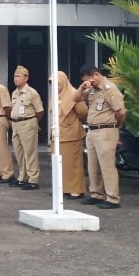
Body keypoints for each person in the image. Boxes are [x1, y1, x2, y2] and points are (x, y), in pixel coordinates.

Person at [75, 64, 127, 209]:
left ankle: (112, 198)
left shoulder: (110, 90)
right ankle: (96, 194)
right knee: (93, 165)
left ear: (96, 75)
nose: (90, 83)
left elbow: (121, 112)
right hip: (92, 131)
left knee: (107, 165)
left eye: (91, 80)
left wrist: (116, 124)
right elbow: (76, 98)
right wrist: (82, 87)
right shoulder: (91, 89)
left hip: (106, 131)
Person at [53, 72, 88, 200]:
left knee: (73, 163)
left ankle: (76, 190)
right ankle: (63, 188)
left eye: (57, 83)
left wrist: (76, 123)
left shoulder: (73, 93)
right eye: (52, 84)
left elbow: (83, 112)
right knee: (61, 163)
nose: (55, 86)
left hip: (71, 133)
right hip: (58, 135)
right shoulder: (56, 96)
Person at [9, 66, 44, 190]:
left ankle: (33, 179)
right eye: (15, 76)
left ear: (26, 78)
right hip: (16, 124)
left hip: (27, 123)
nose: (16, 79)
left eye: (19, 76)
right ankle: (22, 177)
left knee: (30, 153)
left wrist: (34, 123)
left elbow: (39, 111)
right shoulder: (14, 93)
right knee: (19, 152)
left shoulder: (32, 93)